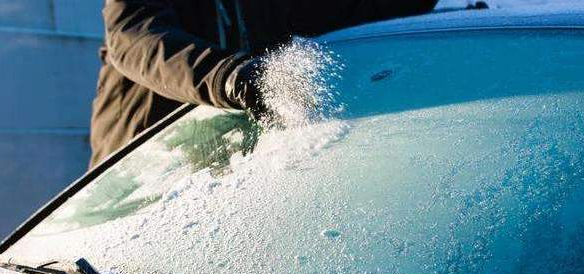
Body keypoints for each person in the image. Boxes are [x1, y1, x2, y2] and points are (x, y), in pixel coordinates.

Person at [90, 0, 439, 167]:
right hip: (138, 165)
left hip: (221, 169)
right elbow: (134, 37)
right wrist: (232, 76)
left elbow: (344, 12)